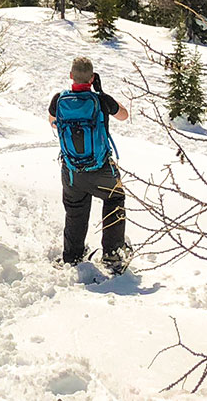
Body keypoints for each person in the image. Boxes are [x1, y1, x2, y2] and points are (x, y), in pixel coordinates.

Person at [49, 55, 131, 273]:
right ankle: (113, 255)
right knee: (114, 198)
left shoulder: (59, 100)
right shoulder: (101, 100)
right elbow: (124, 115)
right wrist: (102, 94)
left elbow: (52, 122)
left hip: (72, 170)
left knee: (75, 209)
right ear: (92, 77)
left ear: (70, 76)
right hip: (101, 168)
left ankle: (72, 256)